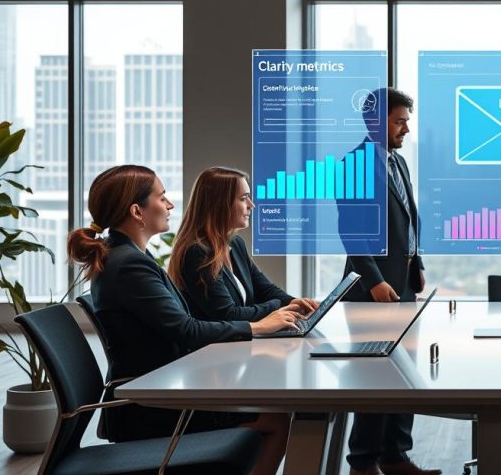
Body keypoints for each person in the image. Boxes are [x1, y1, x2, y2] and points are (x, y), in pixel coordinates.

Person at [66, 165, 300, 475]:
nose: (170, 205)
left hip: (165, 390)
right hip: (154, 409)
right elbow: (186, 329)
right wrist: (258, 326)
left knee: (275, 411)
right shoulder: (128, 265)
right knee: (276, 419)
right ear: (137, 211)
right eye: (161, 198)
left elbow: (183, 325)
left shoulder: (131, 257)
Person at [342, 89, 439, 475]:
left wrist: (417, 264)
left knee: (402, 373)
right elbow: (351, 231)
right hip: (374, 291)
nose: (407, 129)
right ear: (375, 121)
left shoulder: (396, 163)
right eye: (399, 122)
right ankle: (363, 462)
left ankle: (395, 455)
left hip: (404, 284)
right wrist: (375, 280)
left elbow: (407, 223)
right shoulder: (357, 164)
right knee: (373, 377)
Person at [168, 166, 319, 323]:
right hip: (212, 347)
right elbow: (227, 315)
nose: (251, 205)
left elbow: (264, 288)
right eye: (243, 198)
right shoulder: (197, 252)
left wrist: (292, 302)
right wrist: (278, 306)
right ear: (219, 204)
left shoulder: (235, 243)